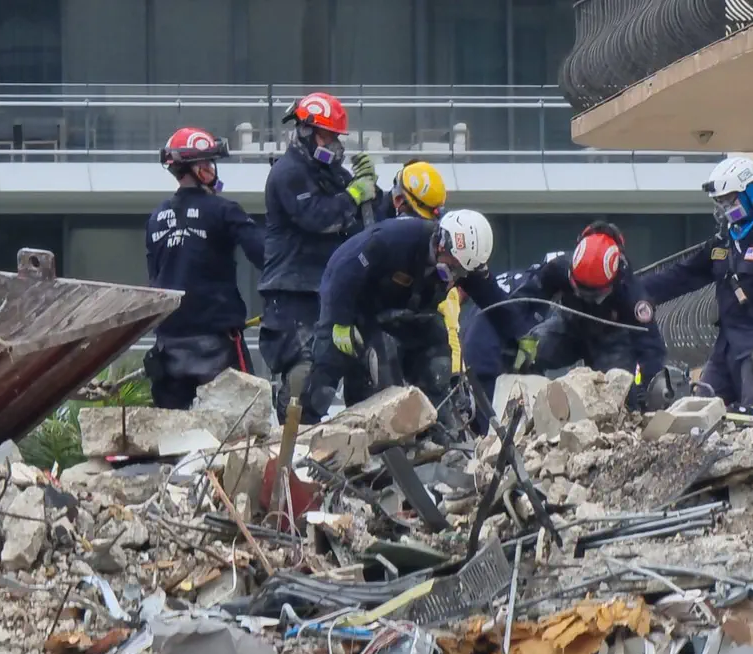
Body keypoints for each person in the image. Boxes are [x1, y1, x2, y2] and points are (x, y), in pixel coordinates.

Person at [301, 209, 527, 424]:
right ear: (441, 243)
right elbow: (343, 274)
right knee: (331, 370)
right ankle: (302, 428)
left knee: (437, 363)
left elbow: (494, 300)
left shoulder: (465, 266)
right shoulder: (393, 240)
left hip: (405, 310)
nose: (456, 275)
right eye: (454, 266)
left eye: (462, 271)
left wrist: (521, 334)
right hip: (353, 301)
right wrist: (340, 321)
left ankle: (436, 429)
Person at [258, 92, 392, 420]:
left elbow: (368, 224)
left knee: (364, 368)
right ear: (305, 131)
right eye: (326, 136)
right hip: (292, 292)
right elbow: (317, 218)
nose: (333, 144)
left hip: (330, 290)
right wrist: (353, 194)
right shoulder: (288, 173)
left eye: (335, 137)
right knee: (305, 376)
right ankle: (293, 442)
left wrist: (372, 191)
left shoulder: (332, 174)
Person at [642, 156, 753, 408]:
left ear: (752, 193)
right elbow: (683, 275)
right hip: (725, 347)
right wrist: (637, 291)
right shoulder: (723, 243)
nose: (726, 208)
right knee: (700, 410)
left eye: (731, 200)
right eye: (721, 202)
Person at [144, 127, 264, 409]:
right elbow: (265, 255)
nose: (212, 169)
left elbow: (154, 278)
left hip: (168, 346)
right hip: (216, 345)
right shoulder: (223, 209)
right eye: (208, 162)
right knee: (241, 422)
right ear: (198, 169)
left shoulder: (156, 218)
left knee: (172, 431)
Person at [512, 223, 666, 408]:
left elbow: (650, 347)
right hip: (569, 327)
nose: (584, 297)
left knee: (621, 397)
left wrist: (645, 392)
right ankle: (526, 406)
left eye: (593, 295)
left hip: (611, 342)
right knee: (526, 351)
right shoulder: (558, 269)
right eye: (579, 291)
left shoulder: (633, 296)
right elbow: (525, 302)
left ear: (613, 281)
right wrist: (513, 334)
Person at [458, 251, 566, 434]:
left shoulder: (517, 277)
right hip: (487, 357)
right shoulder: (538, 295)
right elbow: (526, 339)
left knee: (479, 420)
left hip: (469, 343)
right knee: (494, 432)